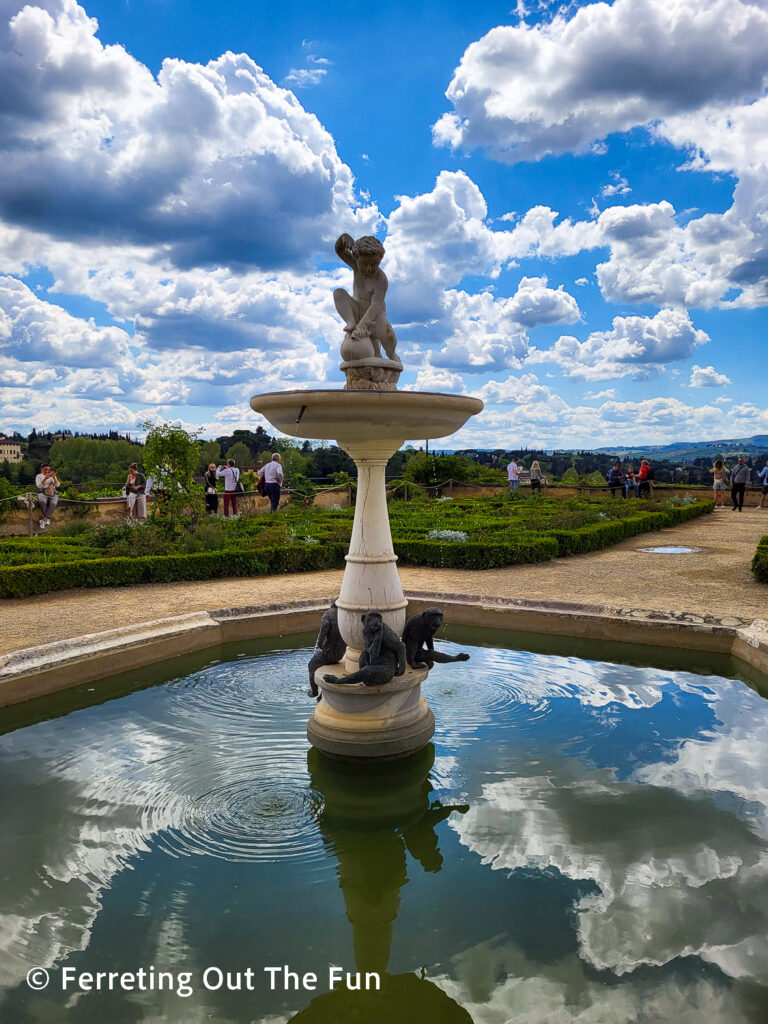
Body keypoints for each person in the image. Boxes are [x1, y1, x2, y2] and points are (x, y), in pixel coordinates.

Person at [333, 234, 398, 359]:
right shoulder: (355, 266)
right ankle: (350, 322)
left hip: (375, 317)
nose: (368, 269)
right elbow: (339, 250)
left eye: (374, 265)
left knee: (389, 337)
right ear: (356, 259)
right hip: (357, 310)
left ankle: (391, 354)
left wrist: (363, 325)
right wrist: (342, 239)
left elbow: (376, 304)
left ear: (380, 260)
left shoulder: (381, 279)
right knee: (338, 293)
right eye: (364, 264)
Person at [35, 464, 60, 529]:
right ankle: (47, 518)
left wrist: (54, 478)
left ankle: (45, 519)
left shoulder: (52, 476)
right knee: (42, 501)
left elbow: (57, 485)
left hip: (52, 492)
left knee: (53, 503)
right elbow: (39, 486)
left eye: (48, 469)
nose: (47, 471)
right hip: (43, 492)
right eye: (45, 469)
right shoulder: (39, 476)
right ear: (42, 469)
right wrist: (45, 478)